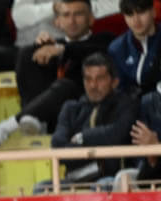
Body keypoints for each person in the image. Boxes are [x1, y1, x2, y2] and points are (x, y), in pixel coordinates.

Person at [0, 0, 113, 151]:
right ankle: (32, 119)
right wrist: (40, 48)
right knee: (27, 53)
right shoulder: (53, 45)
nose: (72, 21)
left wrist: (62, 49)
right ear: (57, 22)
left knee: (65, 86)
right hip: (53, 114)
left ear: (91, 19)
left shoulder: (104, 39)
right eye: (66, 15)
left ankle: (5, 128)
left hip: (84, 110)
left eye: (78, 14)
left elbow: (90, 50)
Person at [50, 52, 137, 182]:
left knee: (104, 184)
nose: (93, 85)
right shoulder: (70, 108)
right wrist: (98, 150)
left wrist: (82, 138)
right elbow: (57, 145)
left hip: (110, 179)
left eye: (100, 79)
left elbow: (117, 134)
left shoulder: (127, 105)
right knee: (41, 187)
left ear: (114, 82)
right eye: (88, 79)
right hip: (75, 179)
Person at [108, 0, 161, 97]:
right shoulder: (117, 49)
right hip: (136, 102)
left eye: (141, 12)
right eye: (130, 14)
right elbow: (121, 90)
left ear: (153, 12)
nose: (136, 20)